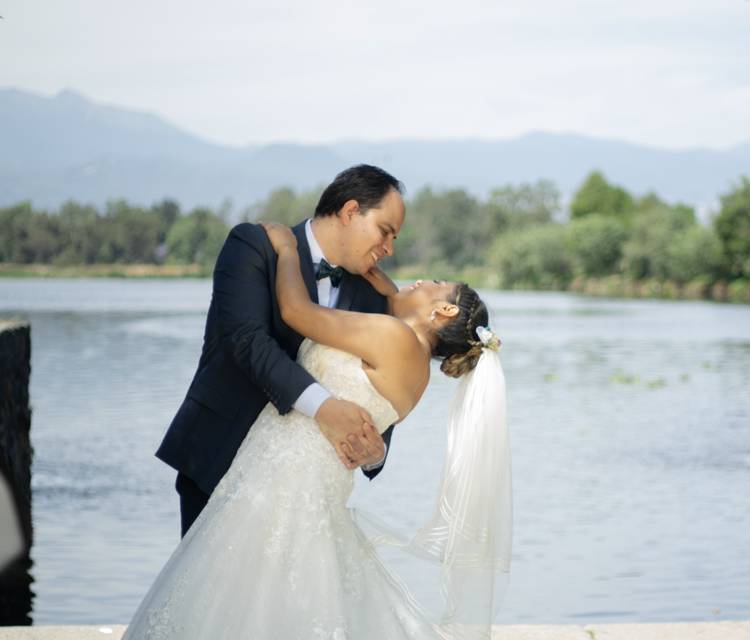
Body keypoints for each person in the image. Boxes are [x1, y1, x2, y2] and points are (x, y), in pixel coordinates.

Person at [124, 222, 510, 639]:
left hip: (276, 485)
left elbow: (296, 313)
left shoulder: (392, 335)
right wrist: (396, 294)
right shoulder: (418, 373)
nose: (420, 279)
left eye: (435, 284)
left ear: (446, 310)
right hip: (311, 493)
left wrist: (288, 251)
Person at [156, 165, 406, 537]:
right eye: (385, 231)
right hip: (220, 460)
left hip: (304, 490)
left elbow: (381, 384)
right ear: (350, 211)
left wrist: (376, 453)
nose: (389, 248)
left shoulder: (374, 295)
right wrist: (325, 408)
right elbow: (248, 342)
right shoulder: (254, 246)